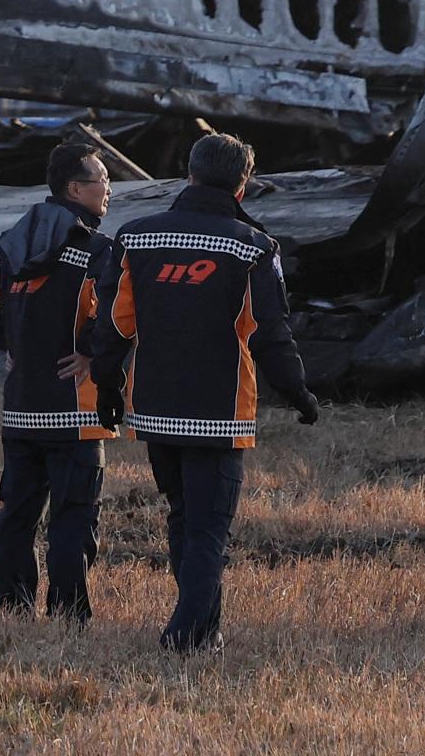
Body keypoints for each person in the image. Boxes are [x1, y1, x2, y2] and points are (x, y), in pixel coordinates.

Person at [82, 131, 317, 652]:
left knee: (184, 519)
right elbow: (269, 331)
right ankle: (184, 636)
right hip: (220, 411)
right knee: (209, 531)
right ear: (244, 184)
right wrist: (297, 390)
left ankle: (205, 634)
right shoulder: (254, 247)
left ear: (189, 174)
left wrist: (107, 387)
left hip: (158, 411)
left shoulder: (136, 238)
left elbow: (115, 327)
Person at [0, 138, 116, 619]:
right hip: (75, 412)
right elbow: (120, 311)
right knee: (73, 517)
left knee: (17, 517)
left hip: (21, 407)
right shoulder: (94, 248)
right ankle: (68, 616)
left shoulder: (12, 244)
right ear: (74, 188)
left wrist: (12, 341)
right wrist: (88, 350)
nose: (108, 190)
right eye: (101, 181)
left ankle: (12, 609)